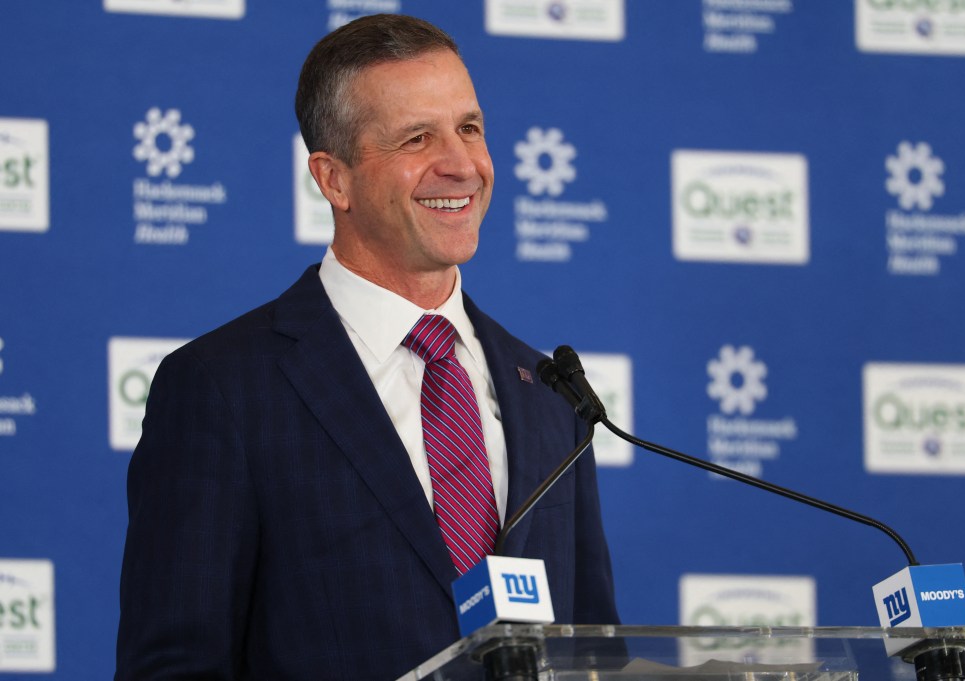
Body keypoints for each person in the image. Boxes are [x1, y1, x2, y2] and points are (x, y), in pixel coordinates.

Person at [115, 13, 618, 681]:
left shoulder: (551, 394)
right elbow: (174, 668)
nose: (462, 164)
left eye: (470, 128)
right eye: (418, 138)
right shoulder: (222, 389)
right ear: (334, 179)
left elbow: (594, 654)